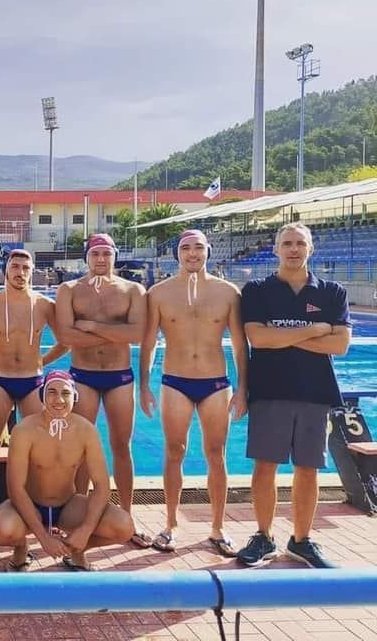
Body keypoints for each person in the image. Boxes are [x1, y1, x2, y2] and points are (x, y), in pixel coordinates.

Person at [237, 223, 350, 569]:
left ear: (310, 249)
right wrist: (316, 330)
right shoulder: (257, 290)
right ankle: (264, 536)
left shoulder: (332, 292)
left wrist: (282, 336)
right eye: (286, 243)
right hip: (270, 390)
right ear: (276, 249)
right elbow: (259, 339)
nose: (293, 249)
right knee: (265, 467)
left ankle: (301, 540)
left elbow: (340, 345)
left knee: (308, 469)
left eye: (300, 243)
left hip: (315, 393)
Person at [139, 230, 248, 555]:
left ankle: (218, 527)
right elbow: (149, 343)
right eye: (186, 248)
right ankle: (171, 524)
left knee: (216, 454)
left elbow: (240, 345)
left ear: (208, 251)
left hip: (216, 383)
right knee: (175, 451)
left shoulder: (228, 292)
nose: (192, 253)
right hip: (175, 381)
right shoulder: (158, 293)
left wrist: (243, 388)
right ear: (177, 253)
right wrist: (144, 385)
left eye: (198, 247)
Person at [54, 233, 148, 546]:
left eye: (107, 253)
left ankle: (127, 516)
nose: (101, 259)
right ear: (87, 257)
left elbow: (137, 334)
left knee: (122, 446)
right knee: (81, 449)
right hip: (82, 376)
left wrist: (93, 327)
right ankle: (78, 517)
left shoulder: (133, 290)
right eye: (95, 254)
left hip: (119, 376)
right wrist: (117, 333)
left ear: (115, 256)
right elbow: (66, 337)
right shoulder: (69, 290)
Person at [0, 370, 134, 571]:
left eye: (65, 393)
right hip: (30, 505)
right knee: (0, 529)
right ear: (42, 396)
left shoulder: (86, 431)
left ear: (74, 397)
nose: (59, 400)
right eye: (52, 392)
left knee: (124, 527)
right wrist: (43, 537)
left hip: (68, 506)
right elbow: (16, 488)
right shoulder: (24, 430)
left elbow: (102, 485)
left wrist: (85, 530)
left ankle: (76, 551)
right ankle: (21, 547)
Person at [0, 248, 66, 522]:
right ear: (6, 270)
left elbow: (65, 341)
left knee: (39, 445)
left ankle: (38, 499)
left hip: (33, 381)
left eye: (26, 268)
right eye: (15, 267)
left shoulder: (44, 306)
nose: (20, 273)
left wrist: (42, 361)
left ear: (33, 271)